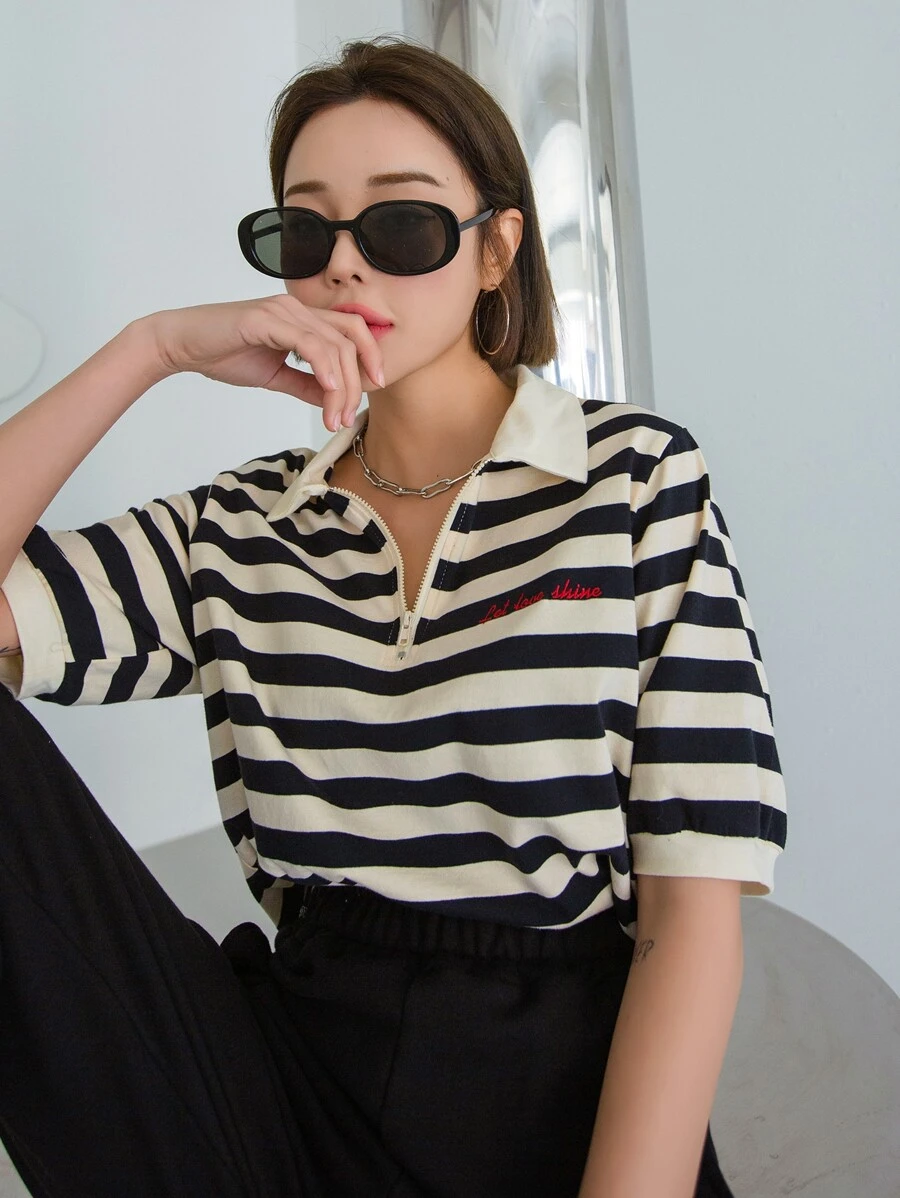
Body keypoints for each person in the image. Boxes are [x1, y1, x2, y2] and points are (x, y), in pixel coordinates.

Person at [0, 33, 786, 1198]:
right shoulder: (242, 525)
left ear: (495, 250)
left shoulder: (633, 479)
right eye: (304, 232)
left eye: (402, 226)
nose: (345, 268)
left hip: (552, 1089)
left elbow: (691, 917)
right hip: (292, 1083)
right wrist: (152, 349)